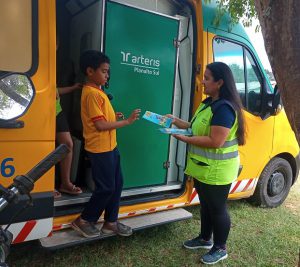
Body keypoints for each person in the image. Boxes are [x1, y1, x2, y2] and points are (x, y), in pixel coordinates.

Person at [169, 62, 245, 265]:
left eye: (207, 78)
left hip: (217, 171)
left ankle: (220, 248)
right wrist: (176, 121)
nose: (202, 81)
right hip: (203, 168)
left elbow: (215, 141)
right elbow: (195, 128)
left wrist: (185, 139)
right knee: (205, 206)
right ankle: (204, 238)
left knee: (217, 208)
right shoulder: (208, 103)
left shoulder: (225, 109)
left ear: (220, 82)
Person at [71, 50, 140, 238]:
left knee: (117, 184)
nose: (107, 75)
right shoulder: (92, 93)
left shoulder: (99, 91)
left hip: (110, 146)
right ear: (90, 71)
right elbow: (100, 126)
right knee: (106, 187)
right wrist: (126, 121)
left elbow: (102, 118)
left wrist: (114, 117)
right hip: (99, 148)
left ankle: (111, 222)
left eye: (108, 71)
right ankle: (84, 220)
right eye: (103, 71)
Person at [55, 84, 83, 198]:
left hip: (56, 110)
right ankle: (45, 186)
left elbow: (55, 90)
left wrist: (74, 87)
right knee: (45, 146)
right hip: (41, 109)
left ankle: (65, 183)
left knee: (67, 144)